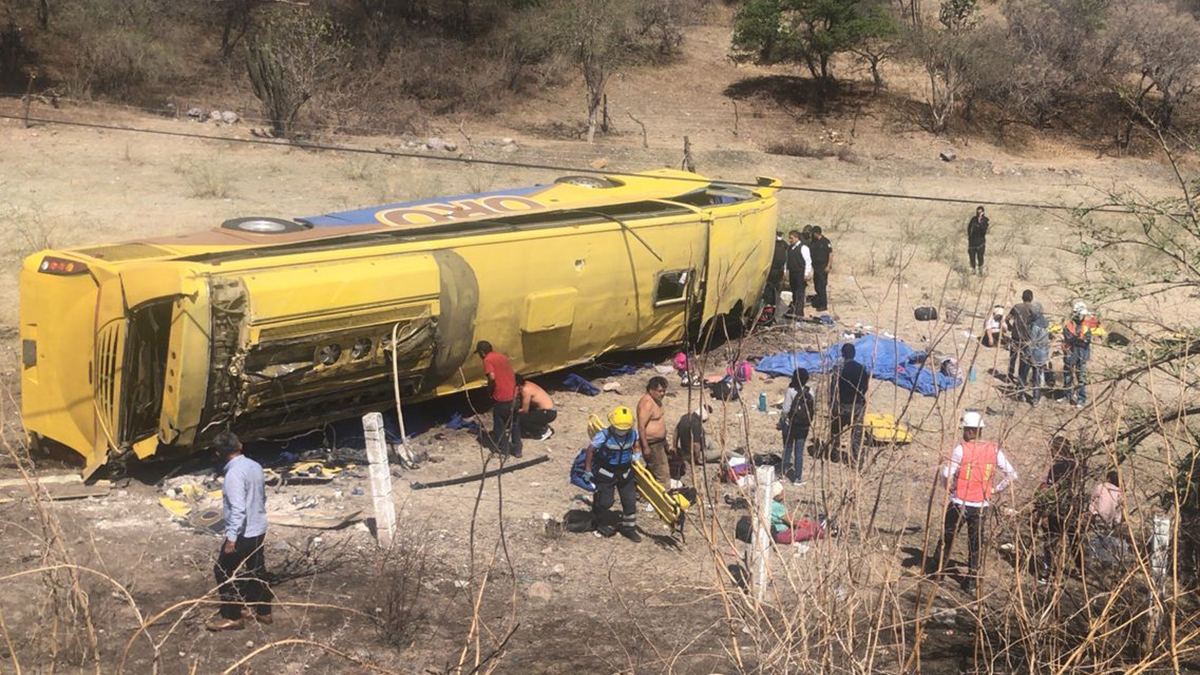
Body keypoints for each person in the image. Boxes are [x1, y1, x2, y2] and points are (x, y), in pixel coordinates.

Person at [927, 411, 1018, 594]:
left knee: (947, 537)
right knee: (975, 544)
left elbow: (946, 473)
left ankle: (939, 574)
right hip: (981, 505)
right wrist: (994, 490)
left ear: (968, 431)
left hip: (959, 502)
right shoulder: (994, 450)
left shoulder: (961, 449)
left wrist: (949, 489)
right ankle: (971, 582)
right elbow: (1012, 474)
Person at [207, 431, 273, 631]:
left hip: (243, 532)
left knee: (222, 570)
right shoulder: (255, 466)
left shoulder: (233, 474)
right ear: (240, 445)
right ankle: (264, 612)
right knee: (256, 570)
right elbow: (261, 497)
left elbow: (238, 509)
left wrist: (231, 538)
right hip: (258, 527)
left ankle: (232, 616)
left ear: (218, 454)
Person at [583, 406, 641, 542]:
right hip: (606, 471)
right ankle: (599, 521)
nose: (622, 431)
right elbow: (590, 450)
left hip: (625, 471)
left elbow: (636, 442)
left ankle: (629, 528)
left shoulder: (632, 433)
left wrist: (637, 453)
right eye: (620, 429)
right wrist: (587, 469)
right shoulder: (604, 435)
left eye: (625, 429)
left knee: (630, 501)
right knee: (606, 502)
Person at [1033, 437, 1082, 584]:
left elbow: (1051, 492)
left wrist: (1044, 513)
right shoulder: (1077, 466)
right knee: (1074, 541)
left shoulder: (1056, 468)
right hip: (1073, 509)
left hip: (1058, 510)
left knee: (1051, 541)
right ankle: (1081, 570)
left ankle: (1050, 574)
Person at [477, 341, 521, 458]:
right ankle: (517, 450)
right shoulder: (502, 357)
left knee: (499, 426)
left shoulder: (487, 360)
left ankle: (504, 451)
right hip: (514, 395)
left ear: (482, 352)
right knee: (514, 423)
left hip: (502, 398)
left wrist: (489, 389)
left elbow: (492, 376)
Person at [830, 343, 870, 467]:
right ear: (854, 354)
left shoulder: (839, 369)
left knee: (836, 430)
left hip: (842, 405)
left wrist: (833, 404)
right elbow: (865, 387)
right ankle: (855, 459)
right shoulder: (862, 369)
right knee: (856, 433)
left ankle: (834, 454)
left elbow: (834, 389)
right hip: (857, 405)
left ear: (843, 354)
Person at [780, 367, 815, 485]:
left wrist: (782, 423)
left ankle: (782, 471)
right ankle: (797, 477)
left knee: (788, 447)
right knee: (799, 451)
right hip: (803, 426)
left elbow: (785, 410)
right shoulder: (810, 391)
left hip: (791, 425)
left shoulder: (790, 391)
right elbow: (813, 409)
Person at [637, 376, 670, 486]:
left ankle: (640, 491)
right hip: (652, 444)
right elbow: (641, 427)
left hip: (660, 442)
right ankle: (663, 497)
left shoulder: (657, 401)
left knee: (653, 468)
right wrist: (645, 447)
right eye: (660, 391)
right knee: (662, 474)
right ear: (651, 390)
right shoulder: (647, 403)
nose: (662, 394)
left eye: (664, 391)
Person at [1062, 301, 1096, 408]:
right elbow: (1068, 338)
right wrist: (1079, 339)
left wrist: (1077, 339)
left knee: (1081, 377)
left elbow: (1088, 339)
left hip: (1082, 354)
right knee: (1067, 375)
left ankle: (1081, 399)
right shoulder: (1069, 325)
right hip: (1071, 353)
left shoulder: (1087, 325)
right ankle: (1066, 396)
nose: (1084, 316)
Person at [674, 404, 720, 475]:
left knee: (709, 440)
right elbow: (696, 445)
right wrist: (697, 459)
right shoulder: (696, 424)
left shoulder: (684, 417)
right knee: (725, 452)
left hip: (685, 449)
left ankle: (716, 451)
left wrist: (675, 446)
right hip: (696, 454)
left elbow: (676, 431)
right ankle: (741, 458)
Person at [1005, 290, 1035, 388]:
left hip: (1015, 336)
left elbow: (1007, 318)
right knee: (1023, 359)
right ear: (1031, 298)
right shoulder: (1033, 309)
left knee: (1013, 356)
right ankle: (1021, 378)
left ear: (1022, 297)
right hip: (1026, 338)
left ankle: (1009, 375)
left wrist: (1010, 327)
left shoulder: (1016, 307)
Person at [514, 374, 556, 440]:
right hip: (548, 411)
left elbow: (525, 410)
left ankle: (542, 431)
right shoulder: (527, 383)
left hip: (548, 413)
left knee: (522, 419)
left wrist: (515, 411)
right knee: (529, 415)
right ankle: (542, 425)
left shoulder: (525, 390)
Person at [784, 229, 812, 319]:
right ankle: (795, 310)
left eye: (791, 238)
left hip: (800, 273)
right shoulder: (790, 248)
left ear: (796, 238)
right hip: (792, 273)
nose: (790, 240)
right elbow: (786, 260)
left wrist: (807, 273)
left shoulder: (803, 248)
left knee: (800, 293)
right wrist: (785, 271)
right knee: (794, 293)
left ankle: (799, 313)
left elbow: (808, 261)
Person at [1026, 303, 1051, 406]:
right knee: (1039, 374)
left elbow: (1032, 341)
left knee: (1036, 376)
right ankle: (1039, 394)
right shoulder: (1045, 323)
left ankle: (1036, 398)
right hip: (1044, 352)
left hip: (1036, 353)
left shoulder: (1035, 326)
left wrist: (1027, 354)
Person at [763, 231, 788, 320]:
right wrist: (785, 271)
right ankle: (773, 306)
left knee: (770, 288)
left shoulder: (771, 245)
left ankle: (769, 307)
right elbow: (786, 260)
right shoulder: (784, 245)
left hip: (772, 270)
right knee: (776, 289)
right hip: (779, 271)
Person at [808, 226, 833, 311]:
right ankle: (819, 301)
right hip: (816, 266)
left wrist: (828, 265)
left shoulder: (825, 242)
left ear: (816, 233)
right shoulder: (813, 242)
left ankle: (823, 304)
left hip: (823, 266)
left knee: (822, 286)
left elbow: (830, 254)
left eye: (813, 233)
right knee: (817, 285)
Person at [967, 206, 990, 274]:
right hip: (972, 242)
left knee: (980, 256)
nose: (978, 213)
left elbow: (984, 230)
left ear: (983, 212)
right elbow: (969, 228)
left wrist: (980, 222)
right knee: (972, 256)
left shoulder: (985, 220)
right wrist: (970, 237)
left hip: (980, 242)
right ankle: (973, 270)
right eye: (977, 212)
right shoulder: (973, 219)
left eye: (980, 212)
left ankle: (980, 270)